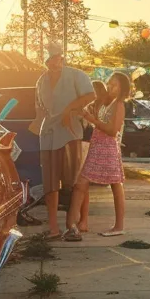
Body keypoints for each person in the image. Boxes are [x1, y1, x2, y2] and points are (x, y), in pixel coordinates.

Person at [35, 43, 97, 239]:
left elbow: (91, 95)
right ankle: (53, 227)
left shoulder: (76, 75)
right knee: (50, 183)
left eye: (57, 57)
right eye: (50, 58)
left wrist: (70, 109)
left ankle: (75, 224)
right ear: (44, 61)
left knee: (76, 181)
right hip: (48, 134)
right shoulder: (41, 81)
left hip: (71, 133)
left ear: (62, 57)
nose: (54, 62)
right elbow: (39, 108)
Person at [66, 71, 131, 240]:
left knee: (111, 184)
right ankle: (73, 225)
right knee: (88, 184)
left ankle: (117, 226)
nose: (110, 86)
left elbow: (112, 130)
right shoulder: (109, 103)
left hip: (106, 148)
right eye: (109, 83)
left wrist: (91, 119)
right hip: (98, 146)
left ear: (122, 87)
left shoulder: (119, 105)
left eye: (114, 84)